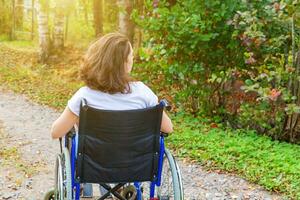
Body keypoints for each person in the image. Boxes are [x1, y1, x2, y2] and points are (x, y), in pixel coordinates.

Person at [50, 32, 173, 197]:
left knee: (74, 137)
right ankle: (122, 188)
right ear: (125, 63)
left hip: (94, 164)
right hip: (135, 164)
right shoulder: (144, 92)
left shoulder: (84, 96)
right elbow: (168, 128)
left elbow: (56, 132)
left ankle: (83, 188)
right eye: (131, 57)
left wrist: (77, 119)